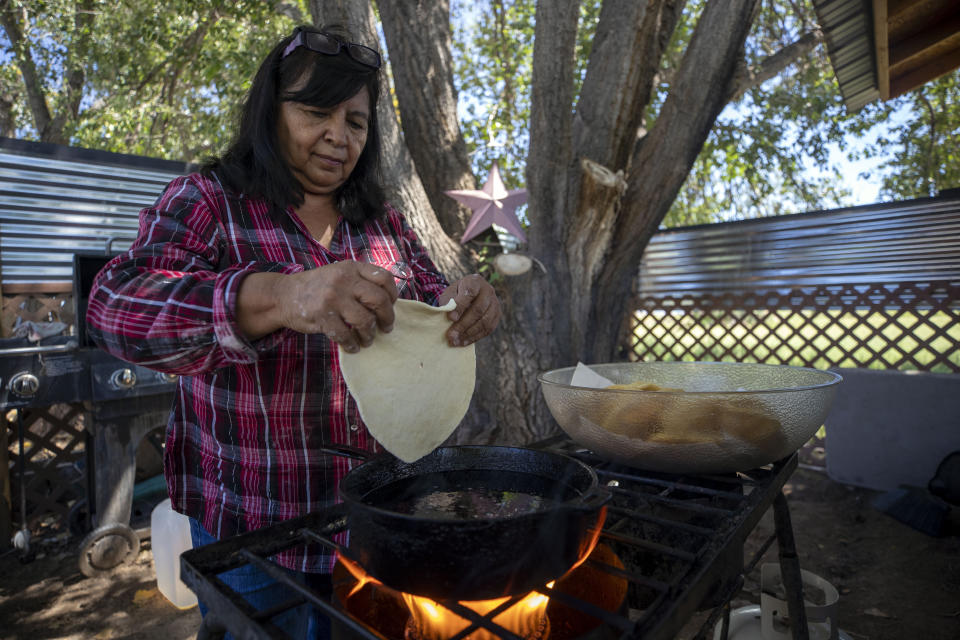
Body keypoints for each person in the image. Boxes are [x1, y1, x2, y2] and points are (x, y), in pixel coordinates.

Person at [85, 23, 501, 637]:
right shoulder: (209, 201)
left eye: (356, 122)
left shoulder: (380, 222)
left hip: (374, 524)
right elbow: (116, 307)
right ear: (269, 111)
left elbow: (429, 293)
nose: (338, 136)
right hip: (251, 532)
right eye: (315, 111)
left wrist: (461, 303)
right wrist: (282, 295)